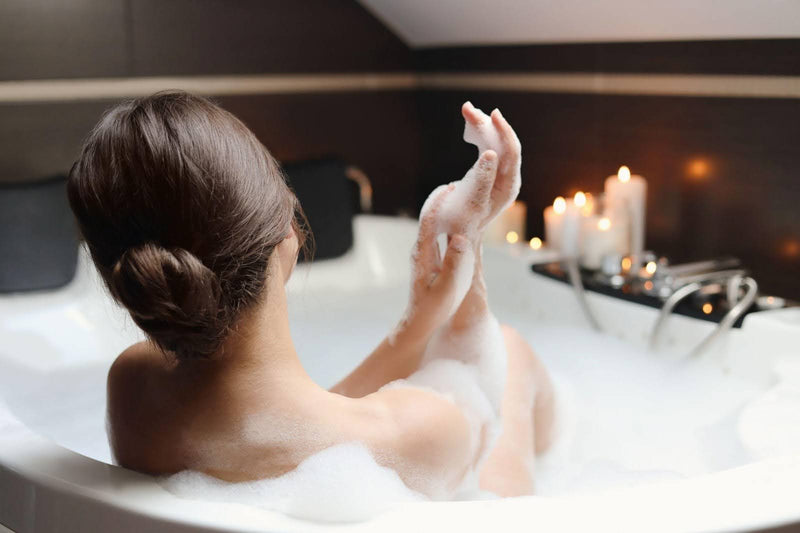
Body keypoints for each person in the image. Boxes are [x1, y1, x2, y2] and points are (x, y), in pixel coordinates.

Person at [67, 91, 554, 499]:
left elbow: (298, 425)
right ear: (287, 230)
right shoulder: (410, 436)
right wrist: (468, 237)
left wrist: (418, 325)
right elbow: (473, 384)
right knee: (511, 351)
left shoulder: (133, 385)